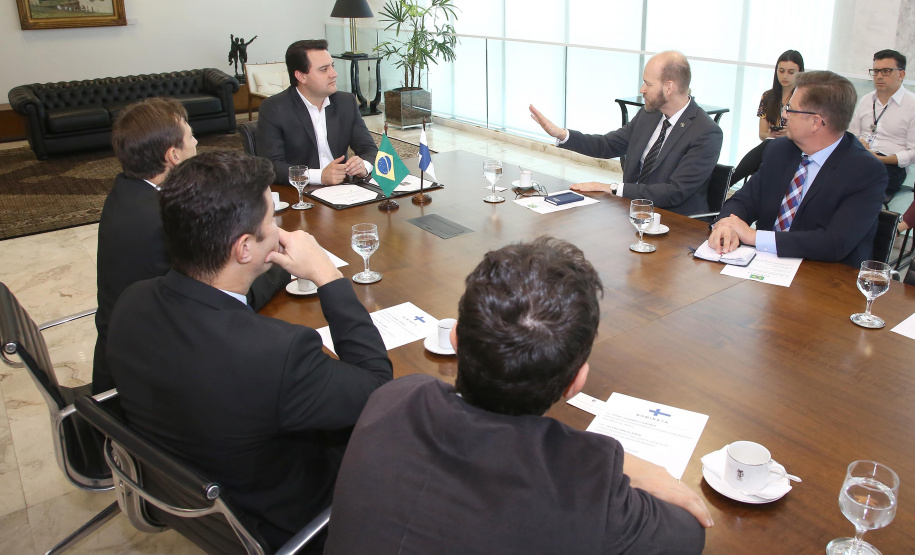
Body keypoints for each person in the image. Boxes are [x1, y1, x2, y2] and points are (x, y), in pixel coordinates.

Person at [324, 237, 710, 555]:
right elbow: (688, 533)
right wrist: (627, 467)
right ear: (576, 381)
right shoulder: (587, 486)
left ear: (455, 339)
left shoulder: (394, 398)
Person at [107, 151, 393, 550]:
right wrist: (327, 276)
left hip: (196, 501)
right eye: (272, 220)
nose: (278, 230)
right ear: (244, 248)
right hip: (292, 522)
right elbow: (377, 388)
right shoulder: (277, 354)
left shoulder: (131, 303)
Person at [93, 98, 289, 394]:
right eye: (191, 136)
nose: (197, 142)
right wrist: (281, 266)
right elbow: (220, 297)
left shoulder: (127, 191)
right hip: (153, 379)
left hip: (126, 348)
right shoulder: (165, 219)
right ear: (173, 155)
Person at [709, 71, 887, 267]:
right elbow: (744, 200)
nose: (784, 115)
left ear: (816, 122)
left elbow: (835, 243)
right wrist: (727, 225)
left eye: (790, 109)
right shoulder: (779, 150)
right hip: (762, 267)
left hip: (825, 274)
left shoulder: (866, 171)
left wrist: (753, 236)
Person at [529, 51, 723, 216]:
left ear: (669, 87)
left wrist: (611, 188)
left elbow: (675, 192)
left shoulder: (706, 132)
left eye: (648, 84)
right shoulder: (649, 115)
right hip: (630, 211)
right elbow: (607, 145)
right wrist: (561, 134)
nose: (642, 89)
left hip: (675, 223)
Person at [257, 39, 377, 187]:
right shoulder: (274, 108)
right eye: (324, 69)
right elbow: (271, 166)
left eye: (332, 66)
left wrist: (363, 166)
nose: (334, 74)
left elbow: (369, 149)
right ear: (301, 76)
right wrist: (319, 176)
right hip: (300, 191)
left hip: (343, 190)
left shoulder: (346, 102)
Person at [848, 49, 915, 201]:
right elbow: (852, 135)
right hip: (861, 157)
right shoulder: (866, 100)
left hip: (891, 166)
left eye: (886, 71)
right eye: (876, 71)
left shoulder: (912, 104)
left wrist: (881, 159)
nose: (879, 76)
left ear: (901, 74)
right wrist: (860, 142)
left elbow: (913, 152)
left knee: (855, 185)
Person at [732, 50, 806, 184]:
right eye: (781, 71)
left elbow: (808, 134)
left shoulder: (805, 99)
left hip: (795, 147)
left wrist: (789, 134)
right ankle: (730, 184)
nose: (785, 76)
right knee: (768, 146)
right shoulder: (768, 96)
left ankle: (728, 183)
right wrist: (771, 134)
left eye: (791, 72)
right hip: (772, 145)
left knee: (766, 150)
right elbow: (762, 134)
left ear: (801, 72)